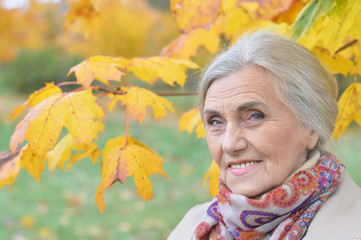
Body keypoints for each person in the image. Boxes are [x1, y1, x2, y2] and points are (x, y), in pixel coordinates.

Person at [168, 31, 361, 240]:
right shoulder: (191, 228)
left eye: (255, 117)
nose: (229, 144)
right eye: (216, 122)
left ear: (311, 128)